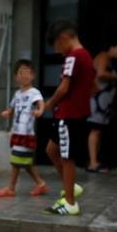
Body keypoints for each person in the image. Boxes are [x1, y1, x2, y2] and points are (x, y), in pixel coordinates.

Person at [41, 20, 96, 216]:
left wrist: (49, 103)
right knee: (52, 150)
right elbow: (94, 86)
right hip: (75, 113)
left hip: (68, 115)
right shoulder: (86, 56)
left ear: (63, 38)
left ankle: (70, 202)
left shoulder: (73, 57)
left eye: (57, 46)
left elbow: (64, 88)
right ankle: (71, 186)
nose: (57, 51)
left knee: (67, 157)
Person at [0, 59, 50, 198]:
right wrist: (8, 112)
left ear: (33, 75)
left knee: (16, 161)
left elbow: (41, 103)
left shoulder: (34, 92)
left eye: (27, 72)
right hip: (18, 132)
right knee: (24, 162)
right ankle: (40, 184)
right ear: (16, 77)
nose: (24, 76)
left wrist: (40, 111)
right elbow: (12, 107)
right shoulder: (17, 94)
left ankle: (11, 188)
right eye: (21, 73)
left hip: (27, 133)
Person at [87, 41, 117, 173]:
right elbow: (101, 74)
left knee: (99, 130)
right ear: (111, 46)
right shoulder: (103, 56)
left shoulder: (108, 59)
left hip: (104, 102)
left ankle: (94, 161)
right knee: (95, 129)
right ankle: (93, 162)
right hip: (97, 100)